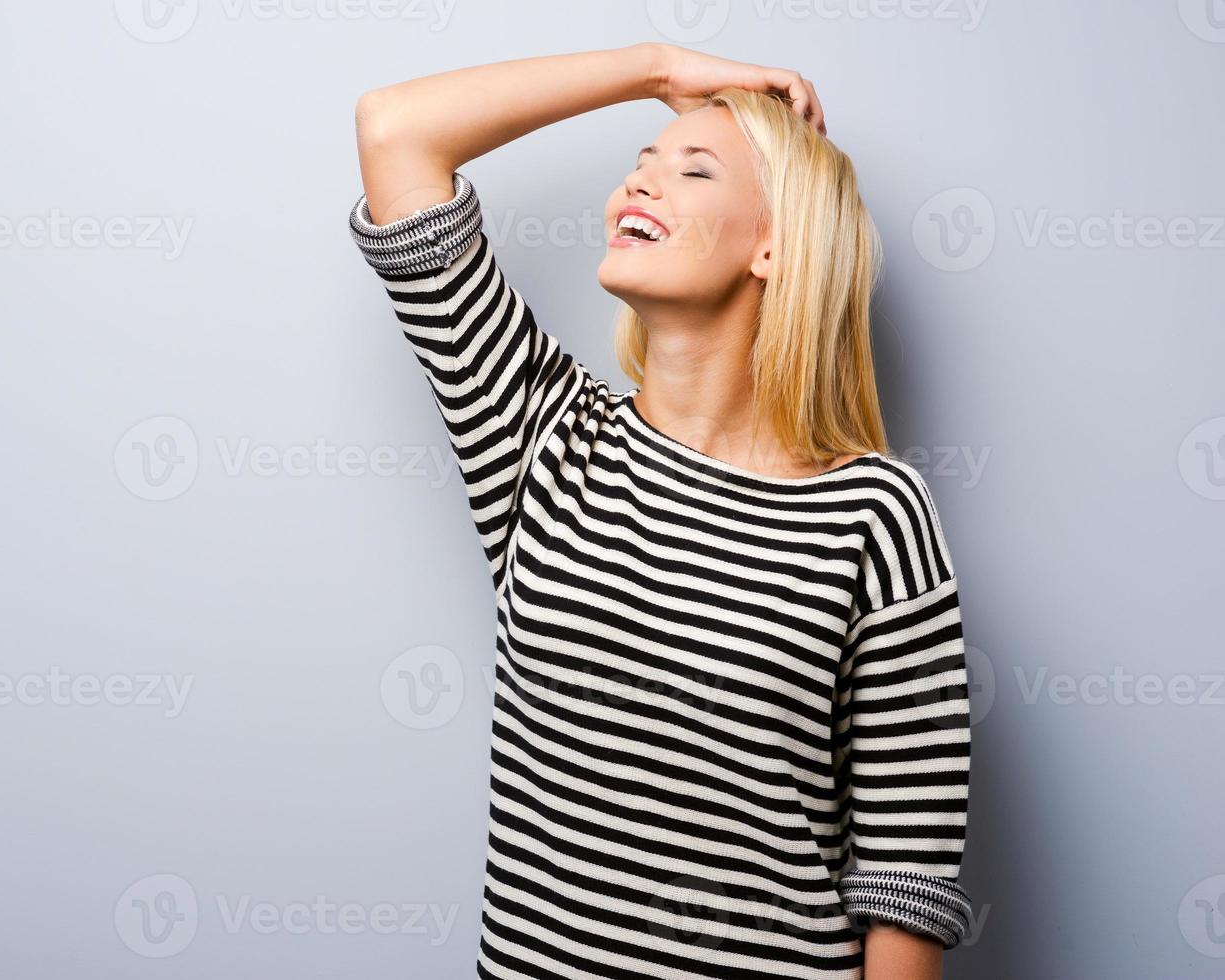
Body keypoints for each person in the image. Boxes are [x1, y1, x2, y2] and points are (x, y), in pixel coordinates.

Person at [348, 41, 974, 980]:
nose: (637, 188)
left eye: (691, 169)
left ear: (776, 243)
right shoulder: (543, 439)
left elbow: (905, 880)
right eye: (638, 167)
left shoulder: (873, 514)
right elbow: (396, 131)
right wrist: (653, 70)